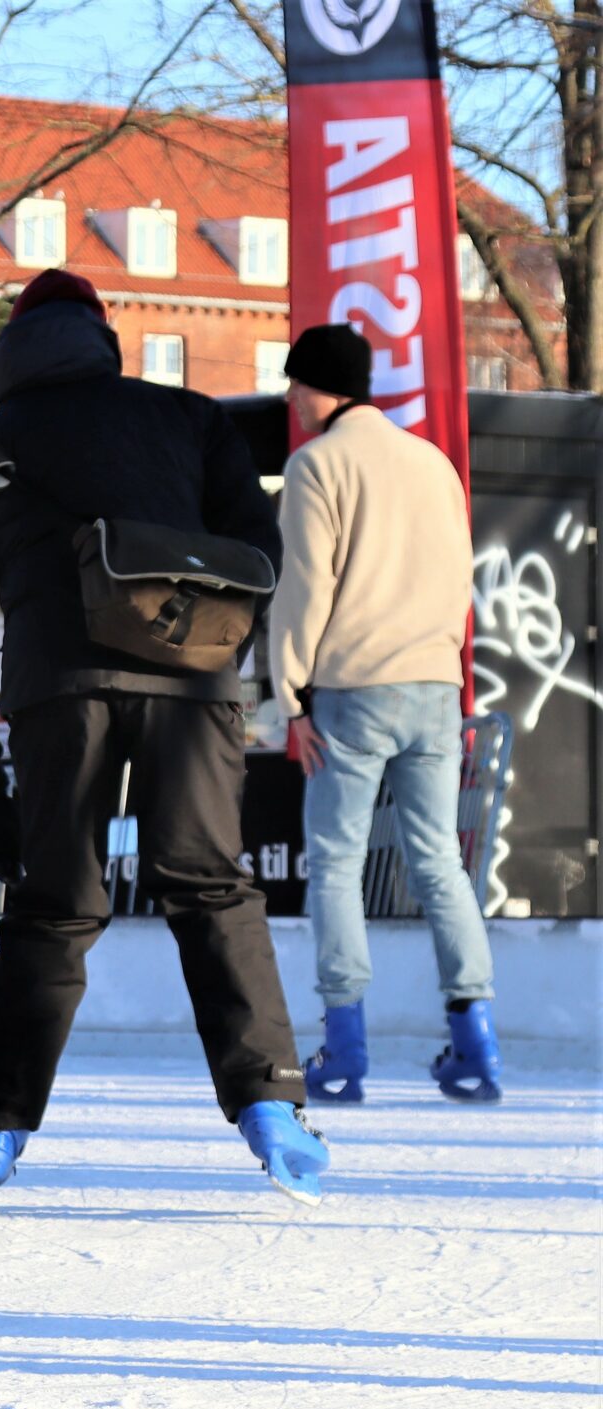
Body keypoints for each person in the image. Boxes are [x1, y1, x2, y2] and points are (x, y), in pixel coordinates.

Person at [0, 268, 329, 1208]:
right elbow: (262, 557)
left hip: (59, 692)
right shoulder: (189, 417)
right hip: (194, 685)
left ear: (12, 347)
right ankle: (273, 1110)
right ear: (102, 336)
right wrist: (210, 644)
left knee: (56, 904)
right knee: (211, 885)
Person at [271, 323, 500, 1105]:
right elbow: (457, 580)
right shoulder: (433, 464)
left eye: (295, 382)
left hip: (352, 688)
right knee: (438, 862)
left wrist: (291, 695)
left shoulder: (316, 466)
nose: (289, 397)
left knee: (336, 863)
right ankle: (475, 1038)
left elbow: (306, 589)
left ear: (316, 387)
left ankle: (345, 1048)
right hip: (435, 687)